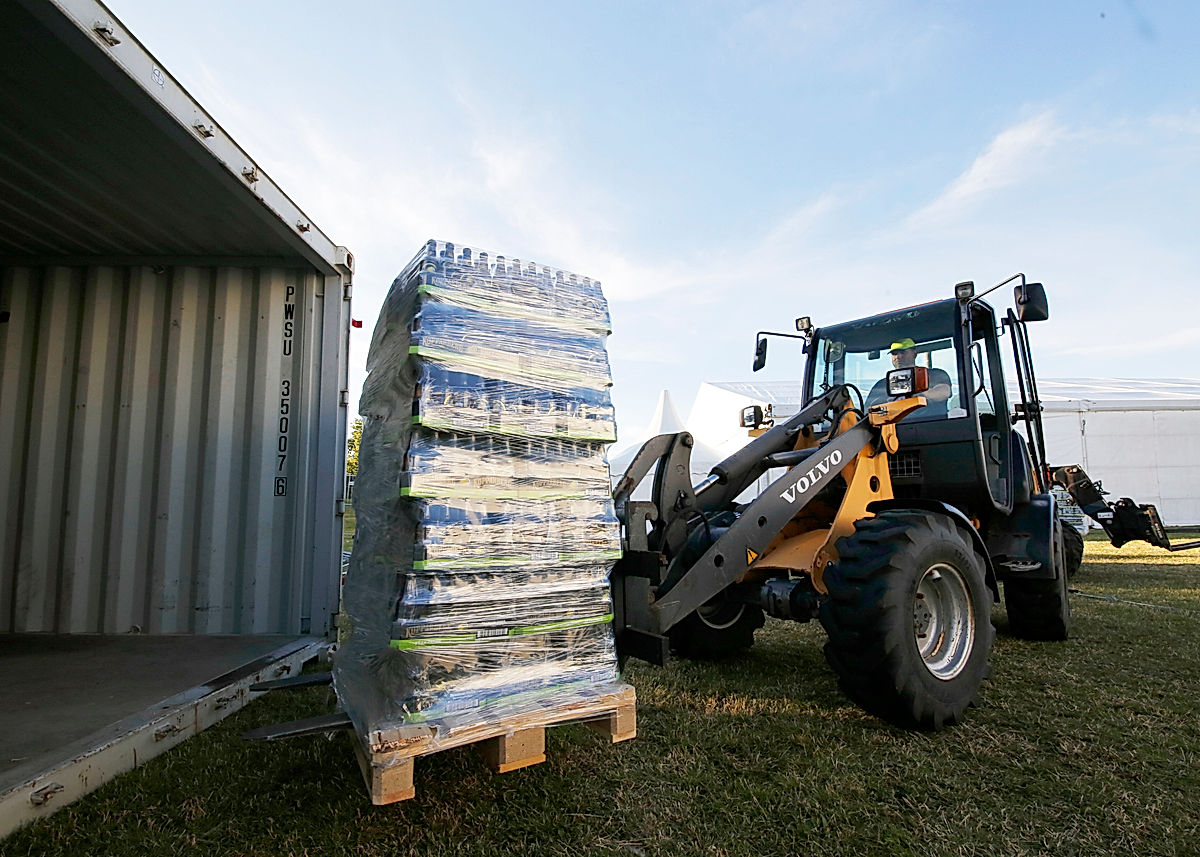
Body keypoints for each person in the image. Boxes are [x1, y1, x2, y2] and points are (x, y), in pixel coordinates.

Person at [865, 338, 953, 416]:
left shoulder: (935, 375)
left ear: (914, 353)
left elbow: (944, 392)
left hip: (934, 427)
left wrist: (918, 392)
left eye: (903, 352)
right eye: (894, 353)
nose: (898, 356)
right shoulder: (881, 385)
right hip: (893, 431)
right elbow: (868, 412)